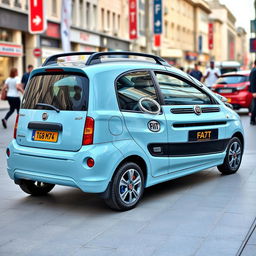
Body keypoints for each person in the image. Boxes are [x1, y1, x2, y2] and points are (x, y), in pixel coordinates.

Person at [249, 60, 256, 125]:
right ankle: (252, 120)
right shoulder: (254, 71)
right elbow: (252, 82)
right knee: (255, 106)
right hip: (255, 92)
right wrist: (254, 92)